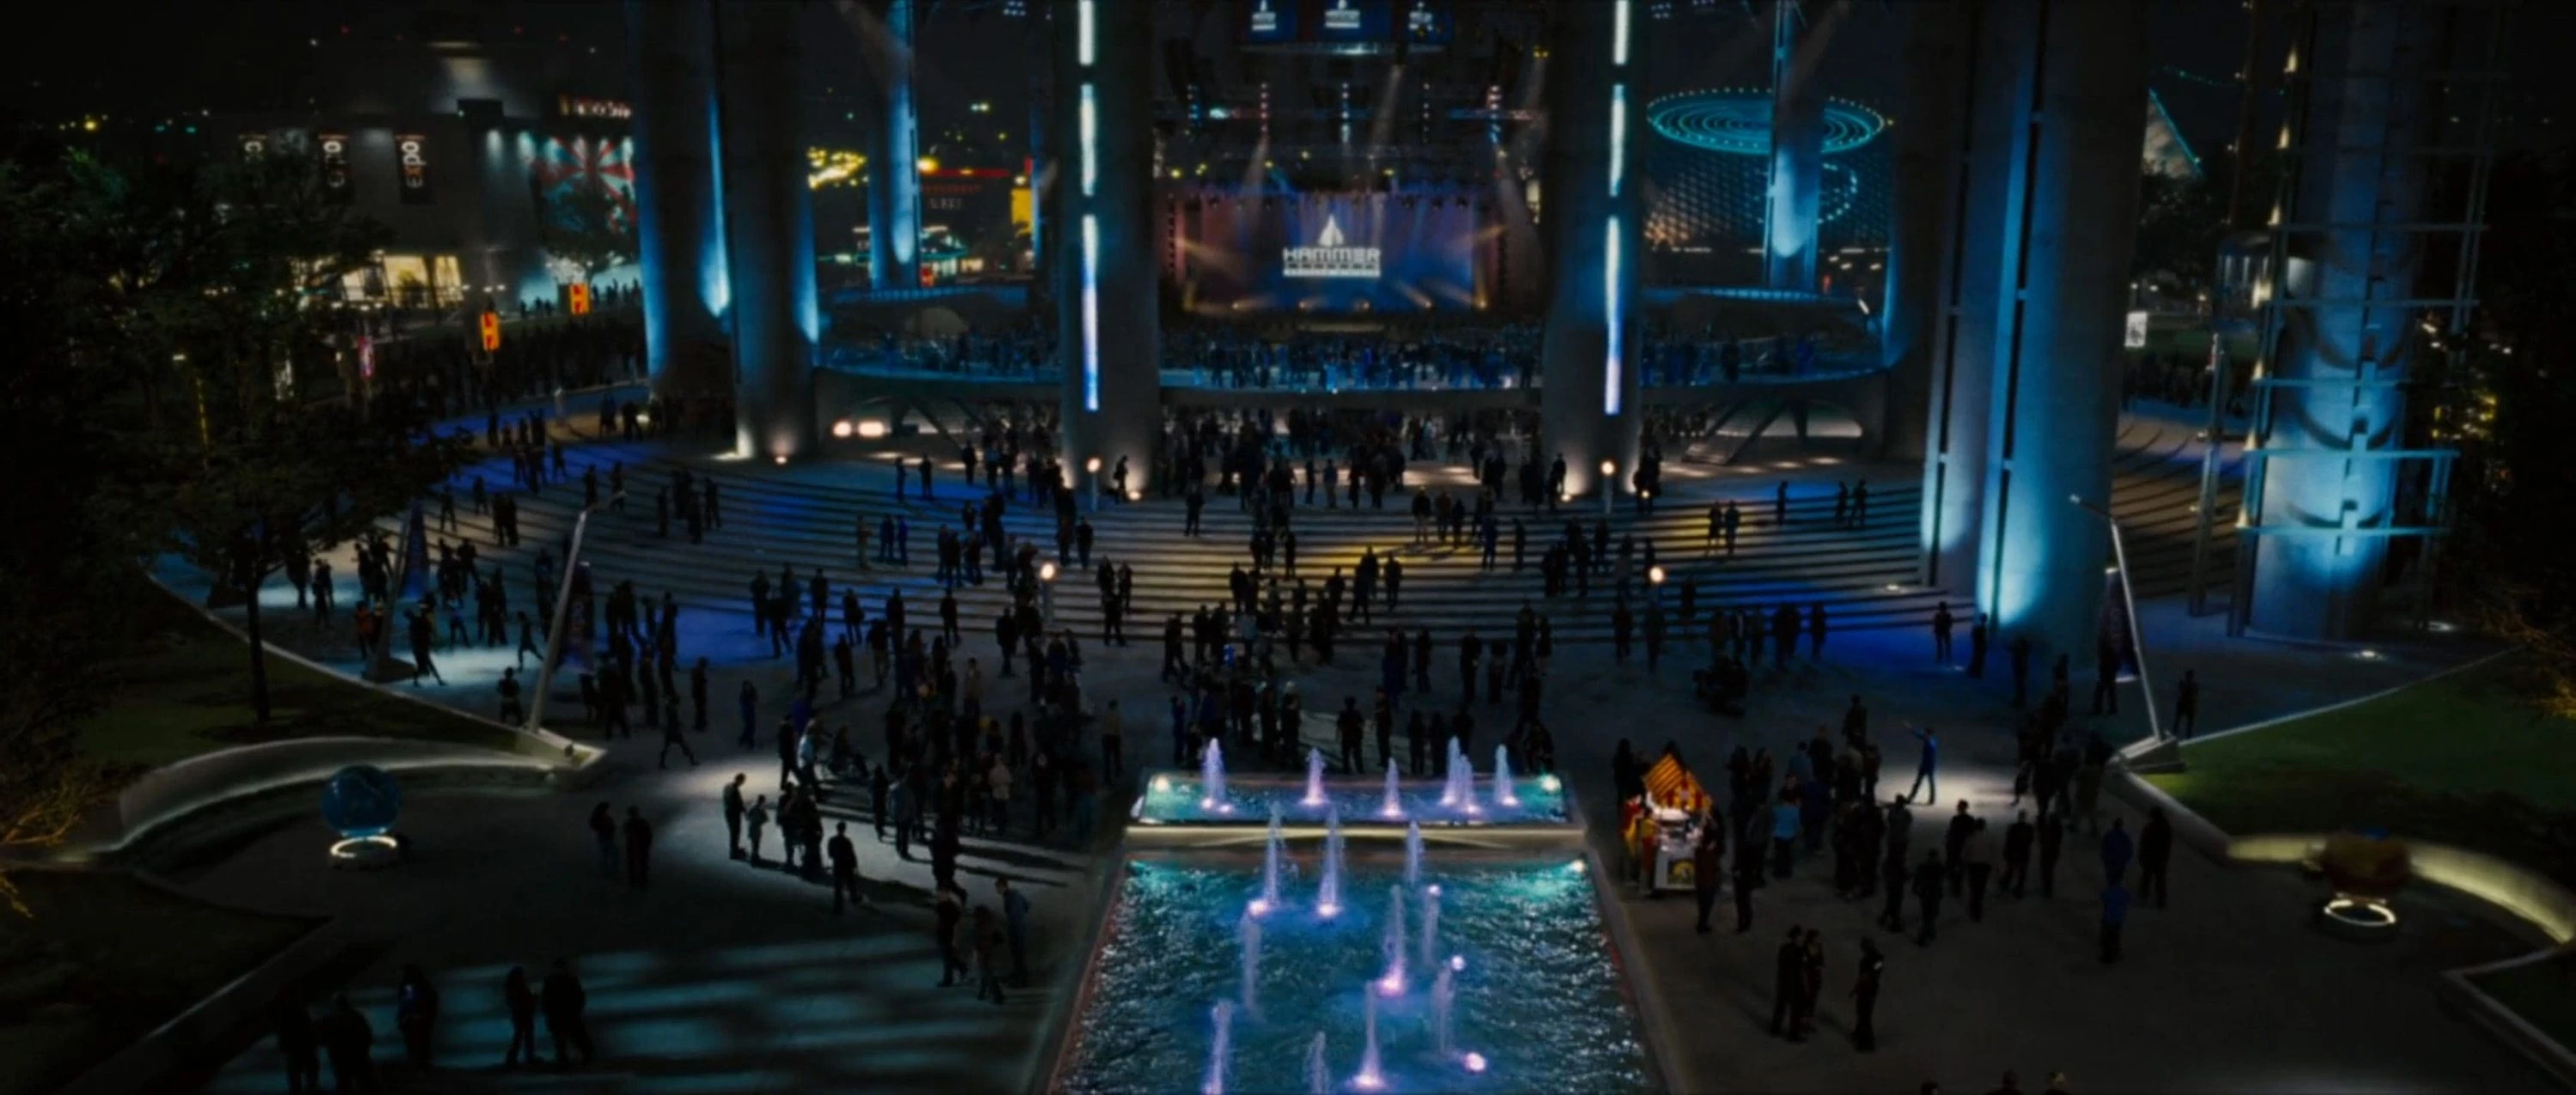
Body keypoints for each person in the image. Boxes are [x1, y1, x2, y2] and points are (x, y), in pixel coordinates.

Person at [318, 993, 378, 1093]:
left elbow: (322, 1038)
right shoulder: (356, 1016)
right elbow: (367, 1035)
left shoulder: (330, 1019)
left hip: (340, 1057)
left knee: (345, 1083)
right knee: (364, 1082)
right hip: (356, 1055)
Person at [541, 959, 592, 1067]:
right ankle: (569, 1058)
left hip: (564, 1014)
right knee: (568, 1038)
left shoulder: (554, 980)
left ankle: (568, 1058)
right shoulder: (568, 979)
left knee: (567, 1037)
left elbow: (546, 999)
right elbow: (579, 996)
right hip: (565, 1014)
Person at [395, 964, 440, 1069]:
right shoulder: (409, 986)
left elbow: (430, 1002)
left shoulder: (420, 986)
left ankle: (421, 1063)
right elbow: (404, 1003)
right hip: (413, 1020)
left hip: (419, 1019)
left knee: (420, 1042)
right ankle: (419, 1063)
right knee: (415, 1043)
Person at [273, 995, 320, 1093]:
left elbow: (283, 1033)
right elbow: (310, 1031)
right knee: (309, 1072)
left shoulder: (286, 1016)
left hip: (295, 1049)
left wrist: (283, 1046)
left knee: (295, 1075)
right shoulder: (302, 1014)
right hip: (304, 1047)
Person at [501, 966, 543, 1068]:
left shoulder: (512, 987)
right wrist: (533, 998)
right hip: (523, 1014)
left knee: (521, 1036)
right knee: (525, 1036)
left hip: (520, 1015)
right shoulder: (518, 987)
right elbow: (524, 1000)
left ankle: (515, 1057)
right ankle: (526, 1057)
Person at [1768, 926, 1805, 1040]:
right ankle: (1793, 1033)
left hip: (1783, 981)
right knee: (1796, 1009)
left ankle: (1775, 1028)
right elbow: (1797, 968)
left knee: (1781, 1005)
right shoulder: (1797, 951)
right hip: (1793, 982)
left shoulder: (1785, 948)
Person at [1691, 821, 1726, 934]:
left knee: (1702, 903)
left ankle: (1702, 923)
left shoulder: (1700, 849)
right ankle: (1703, 923)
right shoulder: (1712, 851)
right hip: (1709, 880)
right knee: (1707, 903)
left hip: (1700, 880)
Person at [1850, 939, 1885, 1052]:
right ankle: (1859, 1033)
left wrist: (1865, 977)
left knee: (1865, 1015)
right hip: (1865, 988)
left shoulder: (1876, 959)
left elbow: (1874, 972)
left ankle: (1867, 1042)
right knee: (1862, 1013)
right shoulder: (1868, 959)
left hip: (1869, 989)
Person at [2138, 806, 2174, 908]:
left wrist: (2141, 855)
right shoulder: (2167, 828)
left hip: (2150, 856)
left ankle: (2143, 895)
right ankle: (2161, 900)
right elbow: (2168, 845)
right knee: (2160, 880)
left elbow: (2143, 843)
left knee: (2147, 877)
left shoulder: (2150, 828)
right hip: (2160, 858)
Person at [999, 877, 1033, 985]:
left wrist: (1014, 921)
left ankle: (1021, 979)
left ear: (1003, 886)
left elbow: (1012, 913)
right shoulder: (1016, 895)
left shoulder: (1010, 897)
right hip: (1020, 927)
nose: (998, 891)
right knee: (1019, 954)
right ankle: (1020, 976)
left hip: (1016, 928)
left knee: (1018, 954)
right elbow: (1027, 905)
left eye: (999, 888)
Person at [973, 904, 1008, 1004]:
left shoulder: (979, 927)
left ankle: (996, 995)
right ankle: (984, 992)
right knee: (988, 973)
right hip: (991, 951)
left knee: (987, 974)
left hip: (984, 952)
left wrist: (977, 952)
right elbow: (1000, 939)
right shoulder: (991, 925)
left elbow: (977, 941)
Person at [1911, 851, 1945, 946]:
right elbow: (1941, 880)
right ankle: (1926, 934)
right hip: (1934, 893)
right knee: (1932, 915)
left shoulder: (1923, 866)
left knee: (1926, 915)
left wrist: (1915, 889)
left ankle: (1929, 932)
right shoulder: (1939, 867)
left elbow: (1917, 878)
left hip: (1925, 892)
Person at [829, 821, 864, 912]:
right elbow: (852, 854)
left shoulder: (832, 840)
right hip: (847, 865)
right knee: (851, 883)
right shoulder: (847, 841)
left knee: (838, 886)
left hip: (837, 864)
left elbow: (830, 854)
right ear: (844, 830)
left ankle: (838, 906)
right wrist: (855, 865)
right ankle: (854, 899)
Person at [2099, 879, 2132, 963]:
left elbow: (2102, 898)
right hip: (2118, 920)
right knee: (2116, 936)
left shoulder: (2108, 892)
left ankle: (2107, 956)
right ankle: (2116, 952)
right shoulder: (2124, 892)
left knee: (2107, 937)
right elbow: (2130, 899)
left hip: (2108, 919)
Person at [623, 806, 653, 889]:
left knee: (632, 864)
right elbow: (649, 834)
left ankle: (632, 882)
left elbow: (626, 834)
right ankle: (643, 882)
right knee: (643, 865)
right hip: (642, 846)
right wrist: (648, 844)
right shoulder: (643, 822)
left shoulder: (628, 824)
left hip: (632, 846)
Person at [2099, 816, 2134, 887]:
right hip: (2120, 862)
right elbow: (2129, 850)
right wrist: (2126, 860)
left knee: (2110, 879)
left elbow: (2103, 847)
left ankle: (2112, 889)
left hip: (2110, 861)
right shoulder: (2125, 837)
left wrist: (2104, 858)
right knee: (2118, 879)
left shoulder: (2108, 835)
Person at [587, 803, 617, 880]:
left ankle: (605, 871)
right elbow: (609, 825)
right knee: (611, 854)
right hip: (607, 837)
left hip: (603, 837)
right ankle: (609, 871)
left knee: (605, 854)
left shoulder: (599, 816)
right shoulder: (603, 817)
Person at [722, 774, 748, 859]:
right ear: (740, 780)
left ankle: (735, 849)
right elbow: (738, 803)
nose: (743, 782)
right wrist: (744, 812)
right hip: (734, 814)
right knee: (735, 833)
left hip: (728, 813)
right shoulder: (734, 790)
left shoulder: (727, 786)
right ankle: (733, 853)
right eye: (743, 781)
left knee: (734, 833)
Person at [2173, 668, 2201, 738]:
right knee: (2181, 721)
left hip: (2186, 705)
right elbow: (2195, 695)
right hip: (2185, 705)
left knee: (2184, 722)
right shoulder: (2188, 684)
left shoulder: (2191, 685)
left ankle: (2184, 736)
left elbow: (2195, 695)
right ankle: (2179, 735)